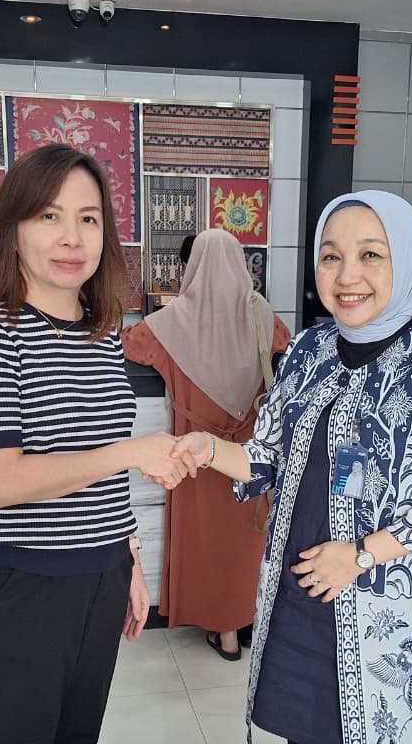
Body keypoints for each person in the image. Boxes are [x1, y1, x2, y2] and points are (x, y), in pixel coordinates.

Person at [171, 191, 412, 744]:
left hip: (381, 615)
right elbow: (266, 457)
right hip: (302, 599)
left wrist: (361, 554)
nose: (347, 276)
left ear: (405, 261)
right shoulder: (309, 351)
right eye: (331, 255)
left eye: (370, 255)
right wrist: (208, 449)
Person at [0, 144, 186, 744]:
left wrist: (129, 556)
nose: (71, 238)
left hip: (101, 575)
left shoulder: (101, 331)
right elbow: (4, 482)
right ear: (14, 228)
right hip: (26, 581)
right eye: (49, 216)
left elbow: (99, 458)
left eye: (88, 219)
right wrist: (133, 452)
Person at [122, 228, 291, 661]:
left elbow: (127, 345)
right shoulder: (261, 313)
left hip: (195, 455)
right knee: (246, 542)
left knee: (208, 543)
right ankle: (246, 620)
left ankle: (224, 632)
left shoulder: (172, 322)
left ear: (193, 266)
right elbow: (286, 345)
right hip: (248, 455)